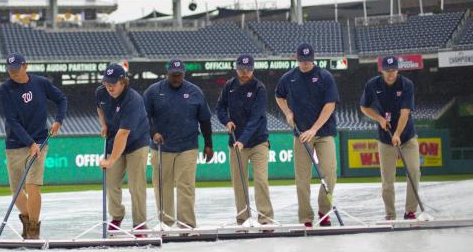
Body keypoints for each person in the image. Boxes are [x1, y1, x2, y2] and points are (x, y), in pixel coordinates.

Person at [0, 52, 67, 240]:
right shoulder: (5, 89)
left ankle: (33, 230)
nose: (13, 73)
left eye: (16, 69)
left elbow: (61, 99)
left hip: (40, 141)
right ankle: (28, 219)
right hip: (15, 144)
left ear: (25, 66)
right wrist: (29, 143)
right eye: (10, 70)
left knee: (32, 185)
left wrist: (58, 121)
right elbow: (12, 120)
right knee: (16, 191)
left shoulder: (40, 83)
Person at [275, 43, 339, 227]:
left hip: (323, 132)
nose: (305, 64)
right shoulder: (289, 78)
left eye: (308, 60)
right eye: (302, 60)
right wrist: (287, 112)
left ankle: (324, 211)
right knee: (302, 178)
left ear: (313, 58)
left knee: (329, 173)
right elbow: (279, 96)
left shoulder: (325, 76)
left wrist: (314, 129)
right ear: (296, 58)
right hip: (301, 134)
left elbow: (330, 105)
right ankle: (306, 217)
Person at [143, 59, 213, 228]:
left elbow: (205, 120)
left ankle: (186, 224)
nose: (176, 78)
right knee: (162, 186)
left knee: (186, 186)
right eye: (173, 75)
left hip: (187, 146)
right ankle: (165, 223)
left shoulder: (195, 92)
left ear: (184, 74)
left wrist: (208, 144)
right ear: (167, 73)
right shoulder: (153, 91)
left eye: (179, 75)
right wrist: (153, 133)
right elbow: (144, 117)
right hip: (161, 147)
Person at [359, 55, 421, 220]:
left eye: (393, 70)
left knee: (414, 171)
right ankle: (390, 214)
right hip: (385, 138)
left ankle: (410, 211)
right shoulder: (373, 84)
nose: (391, 74)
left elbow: (405, 113)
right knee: (387, 179)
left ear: (398, 70)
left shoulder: (406, 84)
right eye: (387, 71)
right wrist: (379, 119)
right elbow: (364, 107)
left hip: (407, 136)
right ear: (381, 70)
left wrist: (397, 134)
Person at [215, 54, 273, 225]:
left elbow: (256, 118)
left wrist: (243, 140)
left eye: (248, 69)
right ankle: (243, 218)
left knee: (261, 180)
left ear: (253, 69)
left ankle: (265, 219)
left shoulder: (259, 88)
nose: (244, 72)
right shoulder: (229, 86)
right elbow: (220, 107)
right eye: (241, 69)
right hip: (235, 142)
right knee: (239, 183)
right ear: (236, 69)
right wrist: (226, 121)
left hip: (258, 142)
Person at [97, 64, 150, 234]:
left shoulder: (133, 100)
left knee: (136, 185)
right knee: (111, 183)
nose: (109, 87)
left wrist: (111, 160)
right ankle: (117, 216)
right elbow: (99, 108)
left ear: (123, 82)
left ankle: (139, 223)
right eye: (106, 83)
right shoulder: (101, 92)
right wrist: (104, 124)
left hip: (136, 142)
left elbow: (123, 134)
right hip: (114, 139)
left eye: (113, 83)